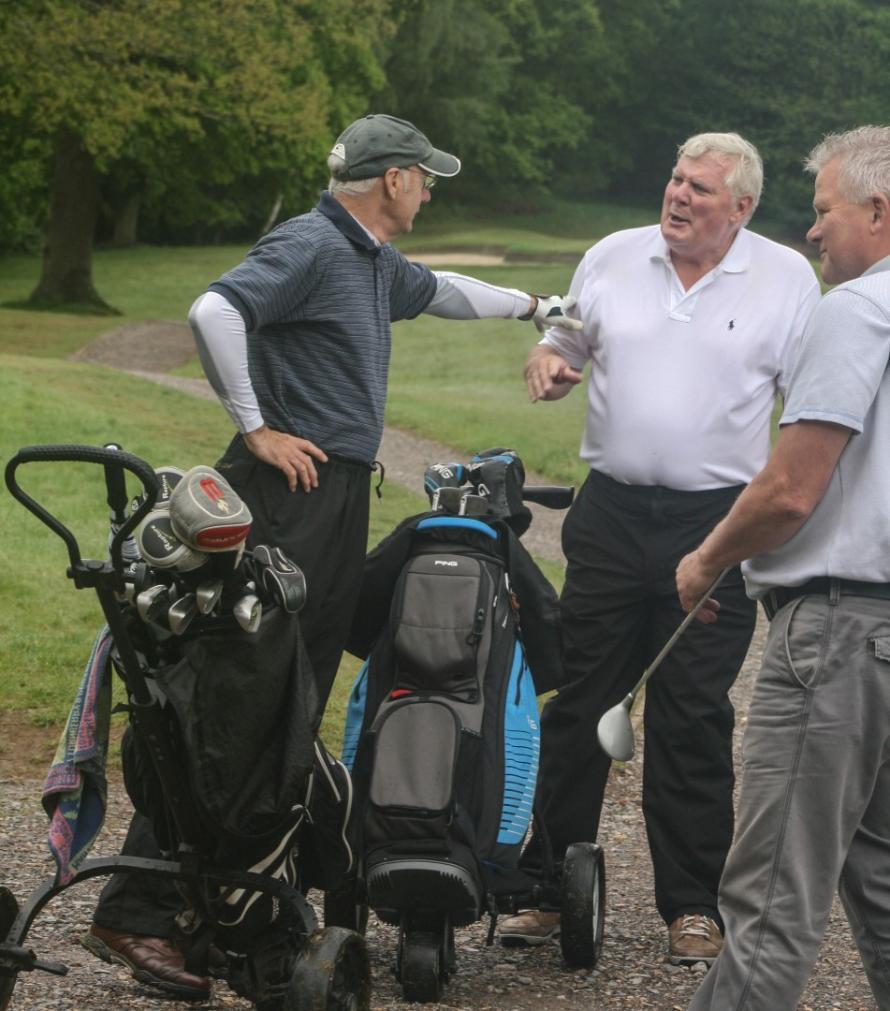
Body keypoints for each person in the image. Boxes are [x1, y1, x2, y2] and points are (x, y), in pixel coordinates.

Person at [81, 113, 580, 999]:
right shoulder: (314, 242)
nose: (429, 190)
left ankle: (216, 913)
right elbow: (216, 308)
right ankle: (142, 909)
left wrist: (539, 308)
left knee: (289, 706)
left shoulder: (372, 261)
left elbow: (449, 291)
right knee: (246, 705)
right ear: (392, 180)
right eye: (425, 177)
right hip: (289, 487)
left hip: (328, 490)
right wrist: (257, 428)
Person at [498, 132, 821, 965]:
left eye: (700, 189)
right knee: (577, 699)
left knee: (691, 713)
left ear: (741, 208)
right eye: (675, 180)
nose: (678, 197)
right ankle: (543, 885)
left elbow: (808, 403)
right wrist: (547, 359)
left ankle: (692, 906)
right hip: (607, 517)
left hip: (713, 525)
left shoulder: (787, 278)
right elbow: (563, 338)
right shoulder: (612, 255)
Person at [676, 125, 890, 1009]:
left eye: (824, 212)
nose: (812, 233)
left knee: (768, 902)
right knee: (880, 881)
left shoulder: (856, 308)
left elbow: (791, 491)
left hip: (837, 635)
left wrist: (707, 556)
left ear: (878, 213)